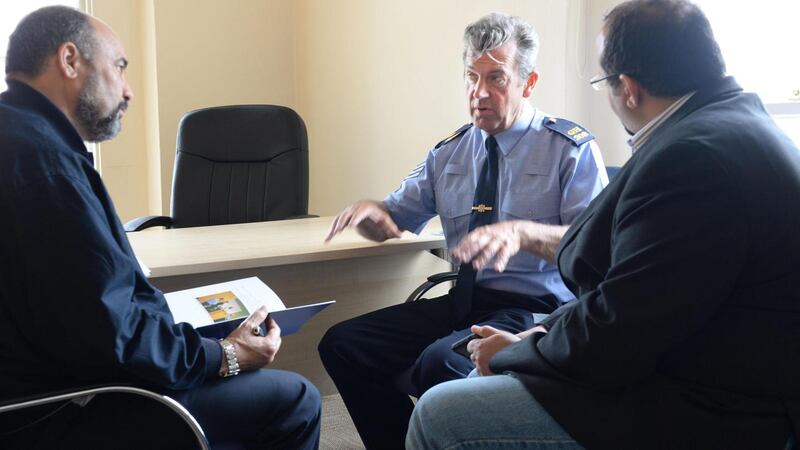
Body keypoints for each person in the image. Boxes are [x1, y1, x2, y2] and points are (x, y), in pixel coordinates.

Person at [407, 1, 800, 449]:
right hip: (704, 361)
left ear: (628, 88)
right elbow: (637, 293)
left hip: (718, 407)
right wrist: (537, 335)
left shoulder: (691, 158)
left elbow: (620, 333)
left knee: (439, 414)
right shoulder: (734, 128)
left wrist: (516, 352)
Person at [0, 6, 319, 449]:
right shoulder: (46, 166)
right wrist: (225, 355)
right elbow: (112, 340)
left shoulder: (20, 137)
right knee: (296, 398)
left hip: (32, 388)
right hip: (62, 408)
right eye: (119, 67)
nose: (128, 90)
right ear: (70, 61)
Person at [319, 12, 607, 450]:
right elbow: (396, 217)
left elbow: (596, 251)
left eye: (496, 78)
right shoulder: (450, 152)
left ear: (528, 84)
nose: (479, 93)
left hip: (535, 310)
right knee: (343, 344)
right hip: (465, 301)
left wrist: (522, 233)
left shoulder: (570, 149)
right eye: (472, 77)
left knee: (440, 366)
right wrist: (372, 216)